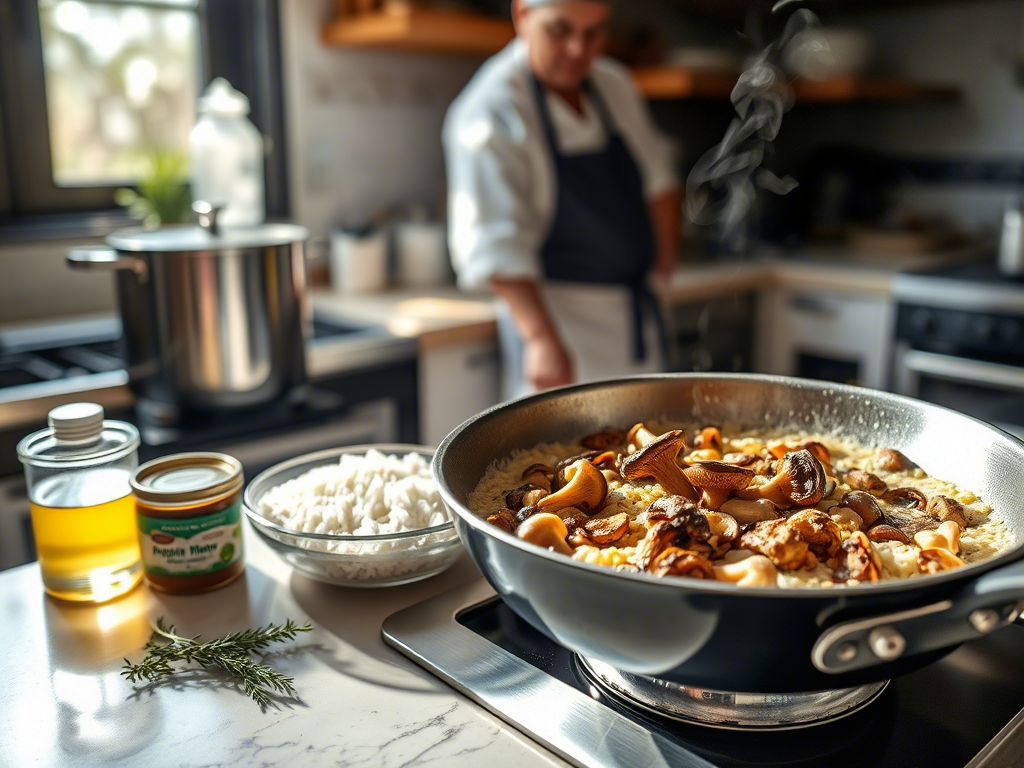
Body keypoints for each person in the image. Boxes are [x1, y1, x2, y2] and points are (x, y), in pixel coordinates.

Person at [444, 0, 681, 400]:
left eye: (593, 34)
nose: (578, 50)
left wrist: (663, 261)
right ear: (522, 16)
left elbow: (659, 179)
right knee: (566, 458)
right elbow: (495, 243)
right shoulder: (490, 110)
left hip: (637, 321)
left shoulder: (614, 84)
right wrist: (540, 339)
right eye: (560, 30)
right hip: (561, 329)